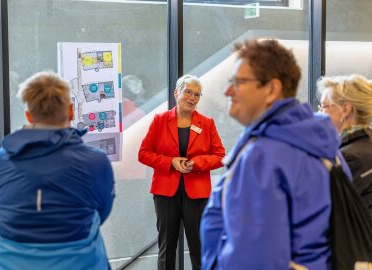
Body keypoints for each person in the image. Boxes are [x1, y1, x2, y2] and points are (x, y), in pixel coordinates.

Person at [200, 38, 351, 269]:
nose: (228, 91)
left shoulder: (263, 157)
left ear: (271, 89)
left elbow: (254, 260)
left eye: (238, 82)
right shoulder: (324, 147)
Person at [0, 71, 115, 270]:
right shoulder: (95, 160)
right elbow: (102, 212)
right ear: (71, 111)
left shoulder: (4, 156)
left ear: (29, 115)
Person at [138, 74, 225, 270]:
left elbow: (220, 156)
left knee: (200, 247)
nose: (192, 98)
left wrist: (197, 163)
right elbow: (143, 154)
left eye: (197, 94)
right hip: (165, 193)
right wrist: (171, 162)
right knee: (167, 247)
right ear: (176, 93)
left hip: (197, 193)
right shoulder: (159, 120)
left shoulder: (207, 123)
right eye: (188, 92)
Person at [318, 74, 372, 212]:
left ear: (345, 109)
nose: (318, 113)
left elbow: (326, 209)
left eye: (323, 106)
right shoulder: (365, 145)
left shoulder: (351, 158)